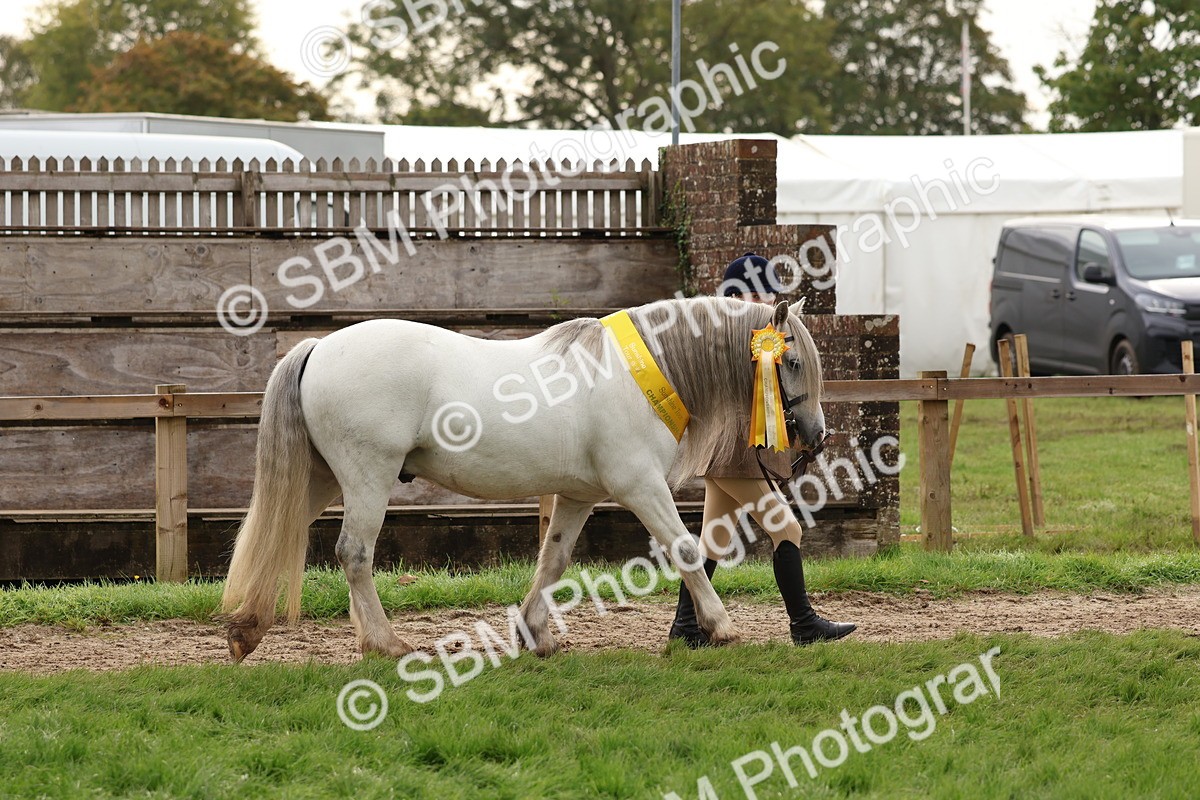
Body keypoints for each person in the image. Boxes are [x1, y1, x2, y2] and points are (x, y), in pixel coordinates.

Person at [669, 252, 856, 647]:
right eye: (760, 292)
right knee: (786, 527)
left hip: (729, 456)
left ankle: (686, 628)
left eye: (771, 292)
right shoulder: (736, 336)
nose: (768, 299)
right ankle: (803, 624)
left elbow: (777, 398)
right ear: (739, 295)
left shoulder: (760, 334)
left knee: (713, 540)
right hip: (735, 457)